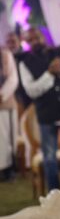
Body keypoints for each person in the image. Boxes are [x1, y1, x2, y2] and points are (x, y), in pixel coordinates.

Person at [19, 27, 60, 192]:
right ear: (26, 43)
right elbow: (31, 90)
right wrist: (49, 74)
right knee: (49, 158)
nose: (35, 41)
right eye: (30, 40)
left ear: (44, 37)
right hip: (47, 115)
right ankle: (56, 195)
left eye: (37, 37)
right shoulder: (24, 63)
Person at [0, 44, 17, 181]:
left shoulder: (5, 54)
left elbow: (13, 79)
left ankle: (7, 170)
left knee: (5, 139)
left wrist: (1, 95)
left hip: (4, 104)